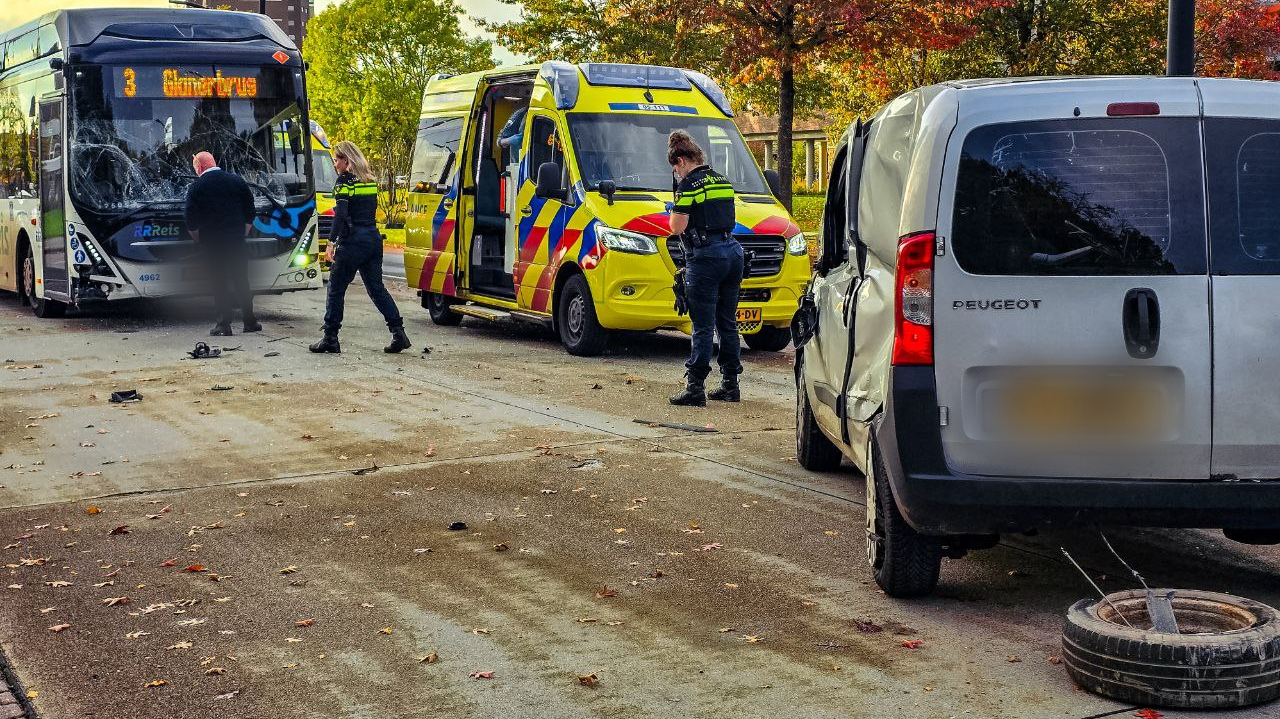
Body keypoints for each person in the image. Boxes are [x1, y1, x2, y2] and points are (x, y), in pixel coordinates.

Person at [309, 141, 411, 354]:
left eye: (336, 160)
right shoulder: (370, 180)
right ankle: (398, 332)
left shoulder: (344, 182)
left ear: (346, 160)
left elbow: (340, 215)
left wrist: (330, 243)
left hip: (352, 241)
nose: (335, 164)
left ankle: (330, 337)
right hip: (373, 239)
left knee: (336, 288)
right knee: (376, 289)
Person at [667, 131, 744, 407]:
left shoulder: (688, 185)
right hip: (732, 253)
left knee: (702, 325)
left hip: (706, 257)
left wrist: (673, 210)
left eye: (675, 168)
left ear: (681, 160)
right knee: (727, 322)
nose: (676, 173)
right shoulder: (722, 180)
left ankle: (695, 387)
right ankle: (730, 385)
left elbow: (677, 227)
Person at [184, 151, 259, 336]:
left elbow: (190, 220)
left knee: (218, 282)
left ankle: (223, 325)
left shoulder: (196, 187)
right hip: (236, 241)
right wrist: (243, 232)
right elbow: (250, 210)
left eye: (195, 167)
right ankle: (250, 321)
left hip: (212, 243)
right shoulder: (237, 181)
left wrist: (199, 239)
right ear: (214, 162)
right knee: (242, 280)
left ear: (200, 167)